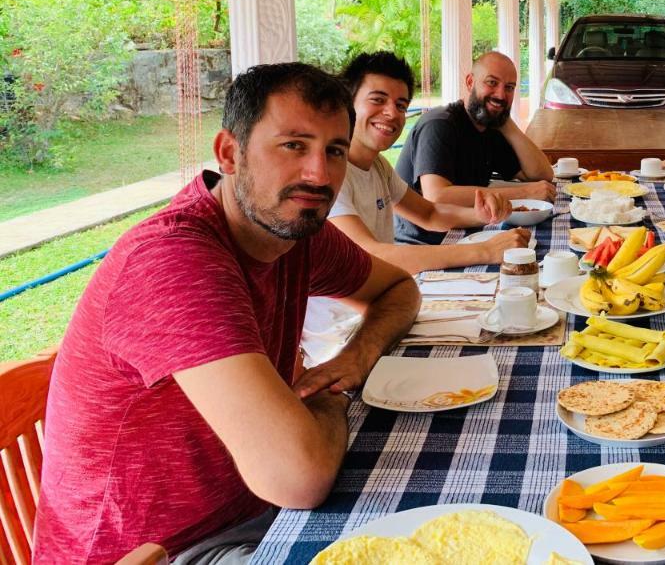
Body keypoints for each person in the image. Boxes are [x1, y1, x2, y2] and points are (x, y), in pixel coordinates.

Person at [34, 64, 421, 564]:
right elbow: (298, 475)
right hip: (156, 551)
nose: (319, 174)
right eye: (293, 145)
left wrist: (357, 356)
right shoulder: (174, 259)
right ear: (230, 153)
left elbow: (398, 288)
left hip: (254, 512)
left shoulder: (295, 232)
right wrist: (335, 395)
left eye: (334, 150)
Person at [302, 52, 531, 364]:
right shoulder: (327, 175)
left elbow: (430, 213)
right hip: (341, 339)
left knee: (509, 329)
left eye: (399, 105)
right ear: (347, 103)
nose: (391, 113)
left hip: (385, 311)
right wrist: (484, 251)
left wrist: (481, 215)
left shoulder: (377, 166)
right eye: (378, 100)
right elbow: (371, 257)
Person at [394, 51, 555, 245]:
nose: (501, 95)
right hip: (424, 243)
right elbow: (437, 196)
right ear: (470, 82)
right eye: (492, 83)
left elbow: (541, 174)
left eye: (509, 88)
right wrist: (525, 193)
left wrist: (508, 124)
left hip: (468, 233)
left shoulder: (489, 126)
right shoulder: (439, 124)